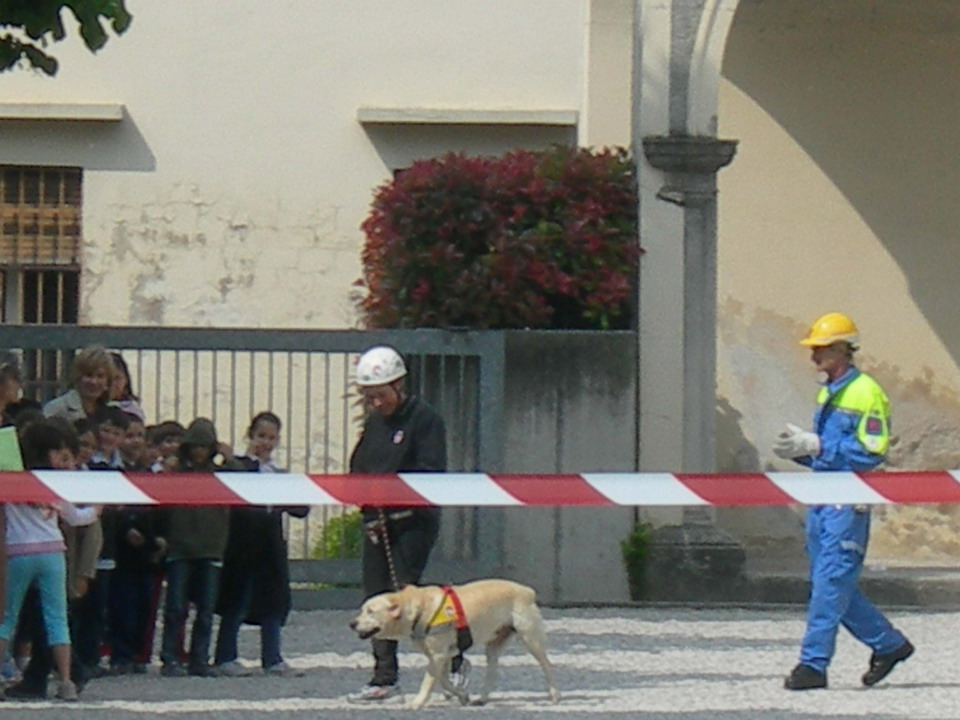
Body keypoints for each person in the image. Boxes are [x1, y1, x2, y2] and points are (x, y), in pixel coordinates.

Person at [774, 312, 914, 691]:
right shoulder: (829, 391)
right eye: (813, 348)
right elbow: (829, 455)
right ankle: (889, 644)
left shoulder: (866, 392)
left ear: (842, 349)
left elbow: (871, 452)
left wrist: (819, 445)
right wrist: (802, 451)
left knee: (830, 582)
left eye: (821, 349)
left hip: (847, 503)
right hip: (823, 498)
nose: (813, 356)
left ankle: (813, 664)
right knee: (833, 582)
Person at [345, 345, 466, 704]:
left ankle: (454, 658)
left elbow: (429, 470)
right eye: (369, 396)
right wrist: (366, 502)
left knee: (407, 596)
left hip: (412, 522)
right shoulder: (374, 424)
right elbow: (359, 467)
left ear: (399, 386)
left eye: (381, 395)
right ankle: (384, 677)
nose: (375, 403)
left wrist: (390, 492)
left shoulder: (425, 420)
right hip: (377, 522)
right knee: (375, 598)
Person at [0, 420, 99, 701]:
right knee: (57, 619)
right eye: (61, 454)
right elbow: (76, 518)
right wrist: (98, 506)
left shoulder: (11, 479)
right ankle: (66, 682)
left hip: (17, 552)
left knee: (7, 618)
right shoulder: (54, 485)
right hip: (53, 552)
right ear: (48, 453)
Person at [213, 411, 308, 677]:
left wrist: (289, 491)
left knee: (273, 602)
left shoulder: (278, 473)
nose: (265, 443)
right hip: (241, 543)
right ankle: (225, 656)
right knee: (236, 599)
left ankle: (272, 657)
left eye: (271, 438)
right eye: (261, 436)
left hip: (270, 544)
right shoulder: (238, 467)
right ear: (250, 436)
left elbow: (301, 509)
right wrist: (231, 460)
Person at [157, 418, 239, 677]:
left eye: (204, 446)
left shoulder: (222, 475)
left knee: (206, 610)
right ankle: (170, 657)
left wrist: (231, 460)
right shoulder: (177, 473)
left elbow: (244, 480)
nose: (199, 451)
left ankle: (199, 659)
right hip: (180, 547)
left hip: (211, 547)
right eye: (195, 446)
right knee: (175, 609)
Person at [42, 345, 115, 423]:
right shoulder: (56, 408)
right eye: (89, 375)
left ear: (108, 381)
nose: (93, 382)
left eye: (100, 376)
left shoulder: (113, 414)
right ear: (77, 377)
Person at [108, 352, 146, 424]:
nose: (112, 383)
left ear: (126, 380)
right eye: (108, 378)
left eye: (117, 378)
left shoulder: (132, 410)